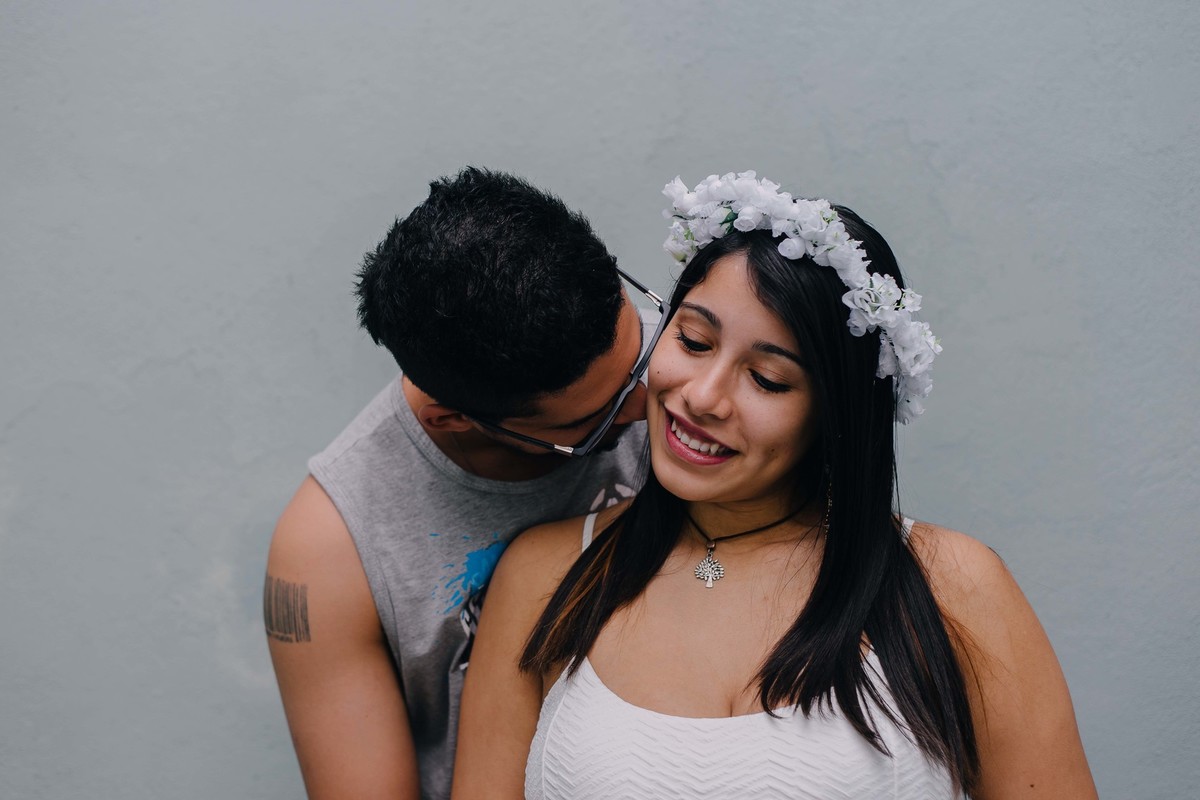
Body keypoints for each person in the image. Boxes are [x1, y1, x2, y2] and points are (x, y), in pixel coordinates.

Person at [452, 172, 1098, 798]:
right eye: (695, 340)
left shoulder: (952, 586)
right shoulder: (543, 576)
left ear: (835, 413)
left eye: (766, 380)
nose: (701, 397)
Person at [264, 167, 669, 799]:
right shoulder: (328, 551)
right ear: (451, 419)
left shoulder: (698, 372)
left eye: (645, 352)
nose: (652, 408)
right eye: (596, 422)